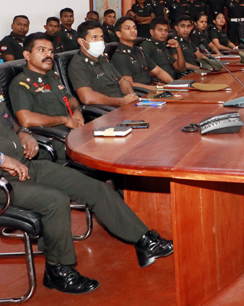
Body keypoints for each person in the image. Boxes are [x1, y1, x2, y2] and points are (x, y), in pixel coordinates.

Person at [0, 90, 173, 294]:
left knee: (93, 187)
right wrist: (2, 159)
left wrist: (24, 133)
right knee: (55, 201)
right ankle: (57, 271)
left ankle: (145, 242)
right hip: (3, 181)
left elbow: (9, 121)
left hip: (24, 165)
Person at [9, 32, 85, 163]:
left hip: (74, 132)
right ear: (27, 55)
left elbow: (70, 98)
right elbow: (26, 119)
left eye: (51, 51)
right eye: (41, 50)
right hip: (54, 140)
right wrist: (65, 120)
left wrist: (77, 111)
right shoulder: (21, 84)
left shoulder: (52, 76)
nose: (48, 54)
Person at [68, 21, 139, 107]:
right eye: (94, 38)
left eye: (101, 37)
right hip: (107, 109)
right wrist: (122, 101)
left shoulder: (103, 59)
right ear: (81, 41)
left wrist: (131, 96)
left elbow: (122, 81)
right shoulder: (78, 64)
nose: (100, 41)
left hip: (124, 104)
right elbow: (87, 97)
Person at [111, 17, 173, 90]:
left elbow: (159, 72)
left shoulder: (139, 51)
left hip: (151, 88)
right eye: (128, 28)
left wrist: (174, 85)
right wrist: (155, 88)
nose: (133, 31)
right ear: (119, 34)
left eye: (134, 28)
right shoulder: (120, 56)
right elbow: (130, 84)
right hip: (141, 93)